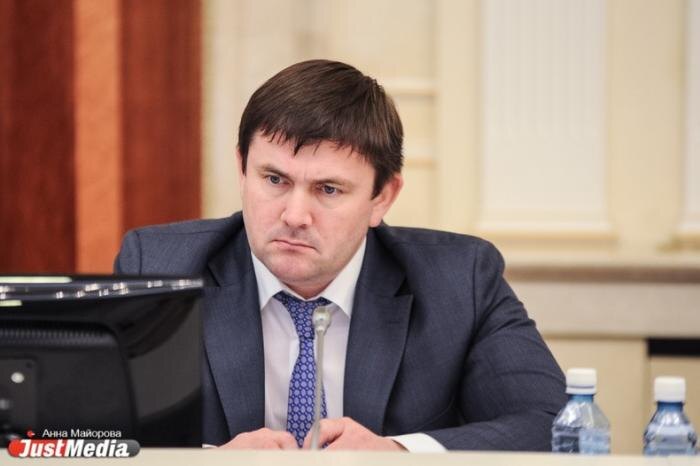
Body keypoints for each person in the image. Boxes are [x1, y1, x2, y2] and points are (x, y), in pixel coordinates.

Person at [114, 59, 566, 452]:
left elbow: (553, 425)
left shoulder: (459, 280)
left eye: (328, 189)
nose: (295, 215)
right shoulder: (159, 268)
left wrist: (397, 451)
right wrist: (212, 459)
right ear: (242, 169)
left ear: (382, 197)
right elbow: (92, 434)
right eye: (274, 180)